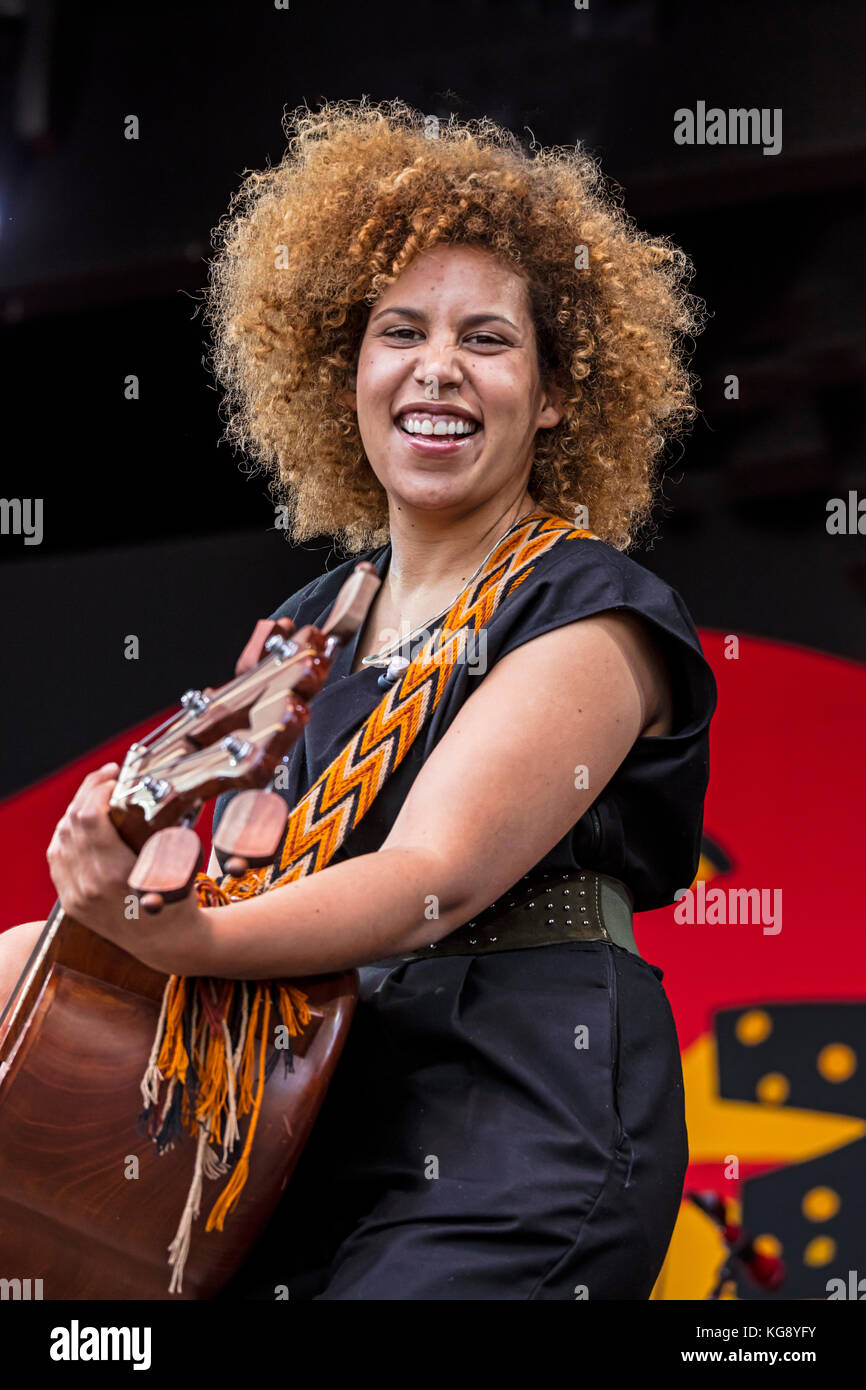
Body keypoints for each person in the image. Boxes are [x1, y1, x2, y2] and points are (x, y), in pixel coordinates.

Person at [9, 98, 717, 1299]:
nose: (436, 365)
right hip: (303, 1115)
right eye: (400, 330)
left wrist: (186, 936)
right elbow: (221, 856)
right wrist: (117, 881)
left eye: (487, 339)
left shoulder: (593, 609)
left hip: (519, 1117)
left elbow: (425, 876)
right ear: (346, 373)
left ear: (553, 395)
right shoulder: (304, 629)